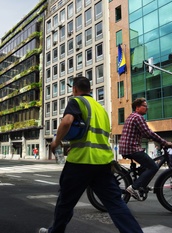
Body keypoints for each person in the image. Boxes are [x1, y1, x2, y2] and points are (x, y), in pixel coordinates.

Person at [39, 77, 143, 233]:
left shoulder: (77, 101)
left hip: (81, 162)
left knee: (65, 202)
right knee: (115, 203)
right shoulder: (100, 109)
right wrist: (74, 144)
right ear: (90, 89)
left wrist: (56, 142)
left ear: (74, 89)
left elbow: (67, 122)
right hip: (103, 163)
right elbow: (93, 134)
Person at [119, 97, 172, 200]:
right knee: (153, 167)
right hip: (132, 148)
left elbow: (144, 134)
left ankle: (141, 184)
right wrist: (164, 142)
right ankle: (134, 187)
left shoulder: (132, 116)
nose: (147, 108)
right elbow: (148, 133)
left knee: (146, 165)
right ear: (137, 107)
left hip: (128, 147)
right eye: (144, 106)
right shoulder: (138, 117)